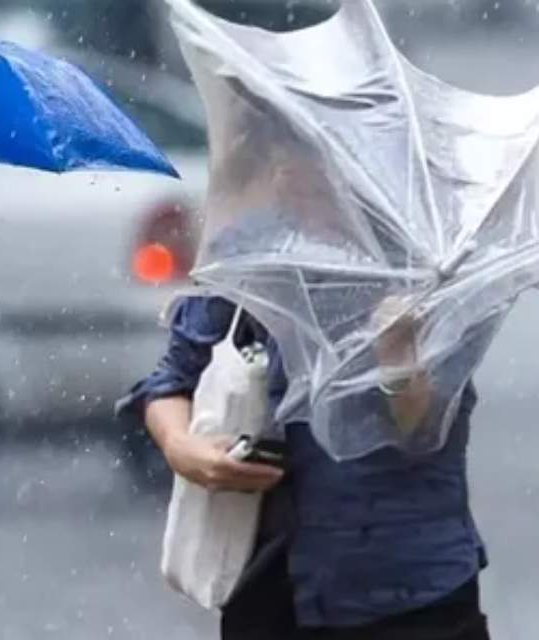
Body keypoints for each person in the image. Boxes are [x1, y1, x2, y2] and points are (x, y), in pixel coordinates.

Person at [119, 154, 491, 639]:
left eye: (309, 159)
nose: (290, 171)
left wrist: (399, 355)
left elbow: (421, 431)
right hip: (270, 586)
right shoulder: (248, 253)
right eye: (284, 153)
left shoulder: (430, 264)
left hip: (408, 590)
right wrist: (183, 449)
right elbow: (170, 382)